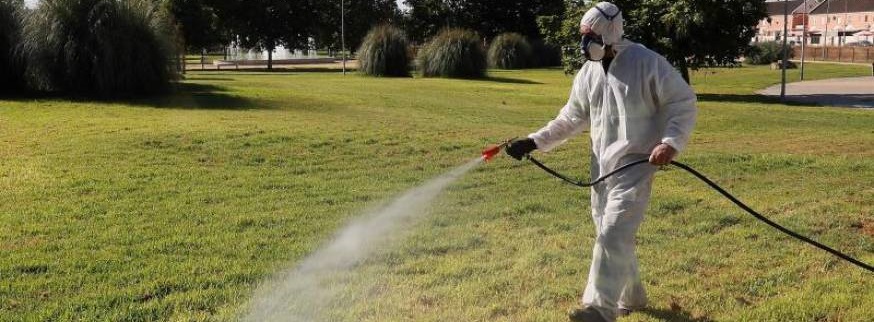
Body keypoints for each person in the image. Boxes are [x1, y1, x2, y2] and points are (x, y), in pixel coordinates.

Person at [504, 2, 697, 322]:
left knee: (612, 231)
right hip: (601, 165)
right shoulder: (588, 73)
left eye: (590, 35)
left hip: (637, 161)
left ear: (610, 31)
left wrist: (670, 142)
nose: (585, 42)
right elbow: (571, 118)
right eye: (583, 35)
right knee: (613, 233)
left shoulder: (647, 63)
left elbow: (682, 101)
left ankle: (599, 309)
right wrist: (534, 141)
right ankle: (631, 296)